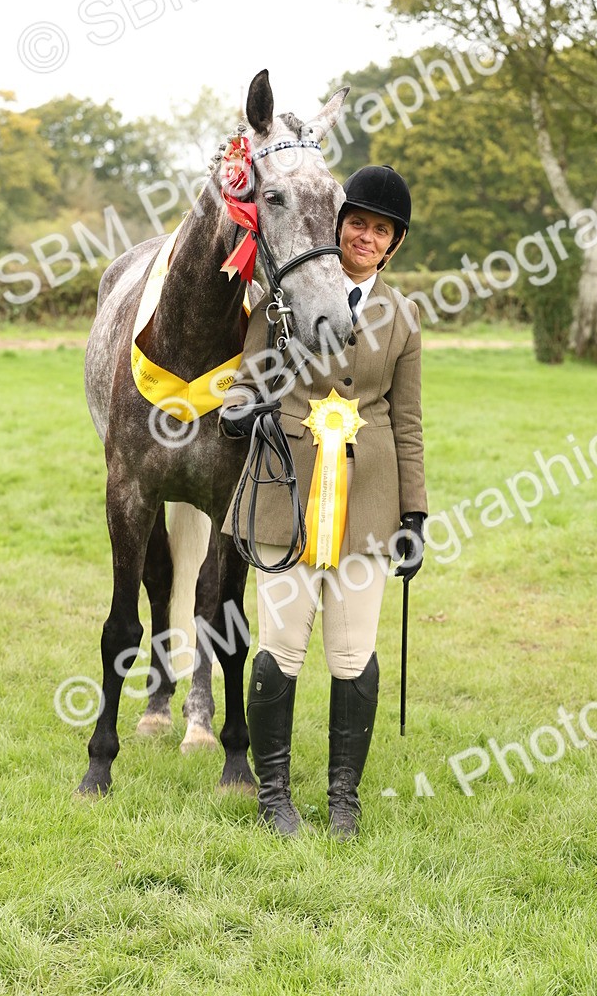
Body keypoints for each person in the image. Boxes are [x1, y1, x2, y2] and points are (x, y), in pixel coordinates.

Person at [219, 165, 427, 838]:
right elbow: (245, 384)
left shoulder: (402, 316)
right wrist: (241, 414)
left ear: (393, 244)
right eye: (357, 224)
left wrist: (415, 513)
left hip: (369, 506)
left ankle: (344, 801)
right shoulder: (282, 299)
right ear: (337, 225)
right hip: (286, 494)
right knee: (280, 647)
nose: (366, 237)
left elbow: (407, 419)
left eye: (380, 230)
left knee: (352, 654)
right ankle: (273, 796)